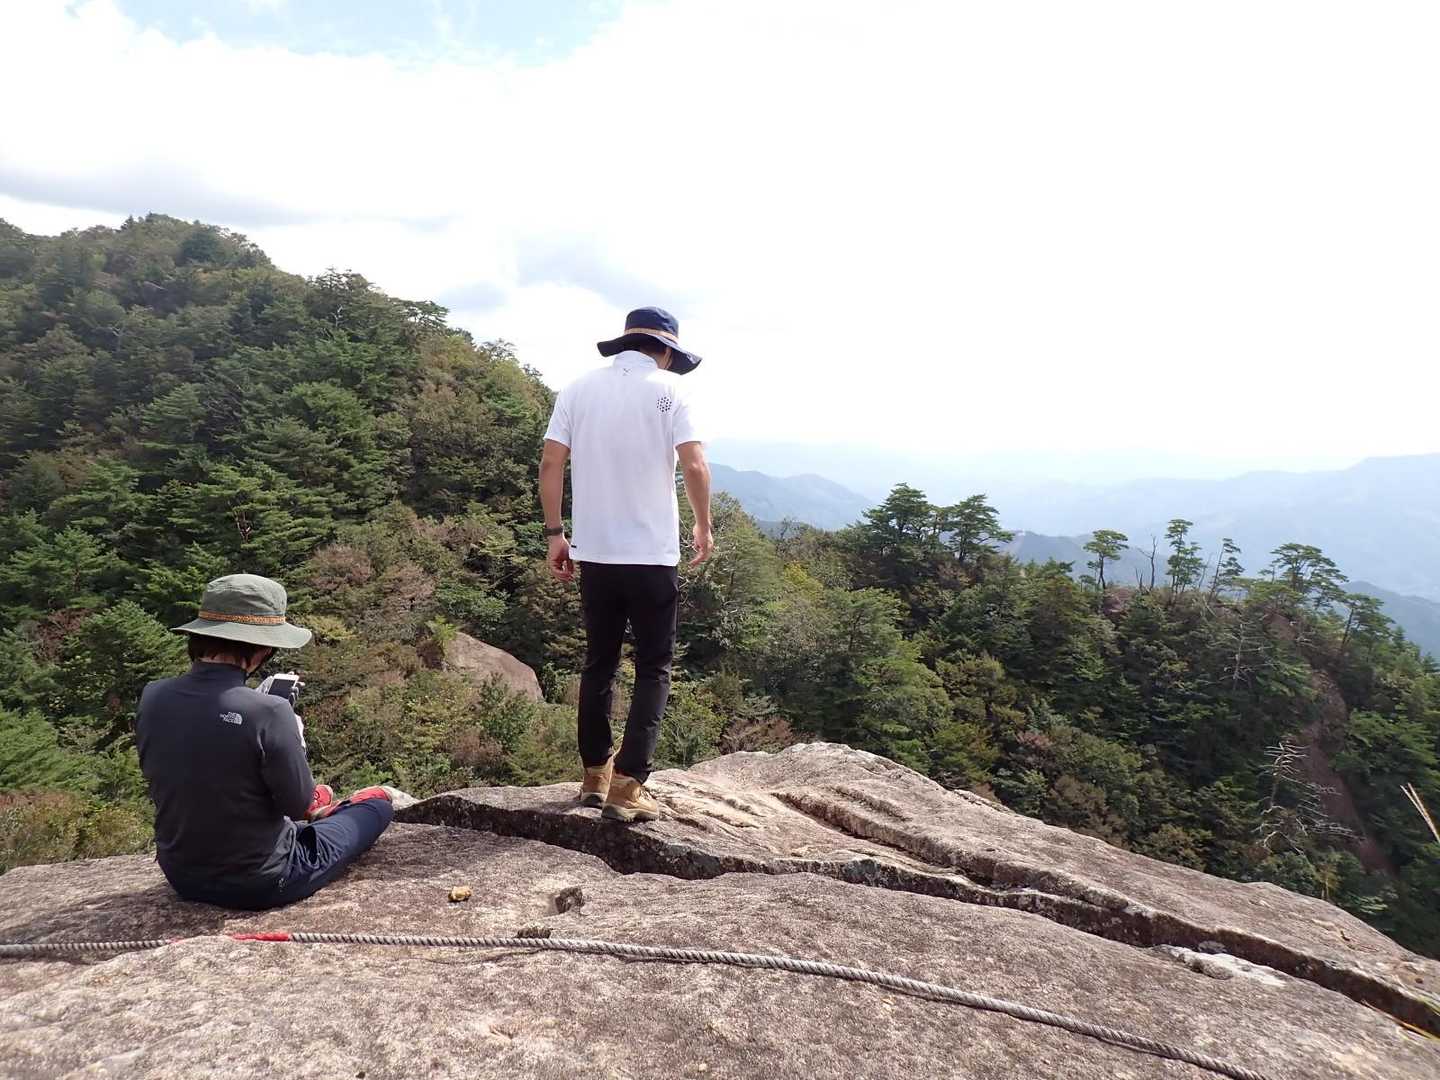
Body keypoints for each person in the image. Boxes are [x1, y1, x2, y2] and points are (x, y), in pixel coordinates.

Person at [539, 306, 714, 823]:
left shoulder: (578, 390)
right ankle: (628, 786)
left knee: (600, 662)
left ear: (625, 344)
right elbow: (694, 464)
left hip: (594, 552)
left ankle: (594, 777)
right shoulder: (671, 391)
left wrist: (555, 534)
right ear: (666, 352)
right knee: (654, 666)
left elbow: (551, 462)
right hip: (651, 554)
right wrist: (703, 525)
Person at [135, 573, 396, 910]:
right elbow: (296, 805)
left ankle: (324, 804)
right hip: (263, 879)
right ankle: (334, 807)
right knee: (378, 807)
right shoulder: (270, 711)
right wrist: (293, 739)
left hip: (182, 875)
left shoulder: (153, 695)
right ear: (263, 648)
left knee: (309, 799)